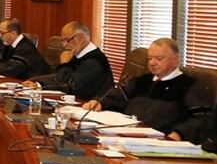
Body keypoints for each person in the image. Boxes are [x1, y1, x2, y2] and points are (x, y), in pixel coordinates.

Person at [82, 38, 210, 140]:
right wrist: (99, 103)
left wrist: (178, 134)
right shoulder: (141, 81)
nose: (152, 63)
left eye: (159, 58)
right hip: (127, 137)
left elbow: (201, 119)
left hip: (161, 144)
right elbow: (118, 96)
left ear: (175, 60)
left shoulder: (190, 86)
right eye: (149, 58)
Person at [22, 21, 113, 101]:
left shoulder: (94, 61)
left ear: (80, 38)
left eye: (67, 40)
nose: (64, 45)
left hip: (91, 107)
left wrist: (64, 64)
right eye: (63, 41)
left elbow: (69, 87)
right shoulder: (78, 55)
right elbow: (59, 78)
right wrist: (38, 84)